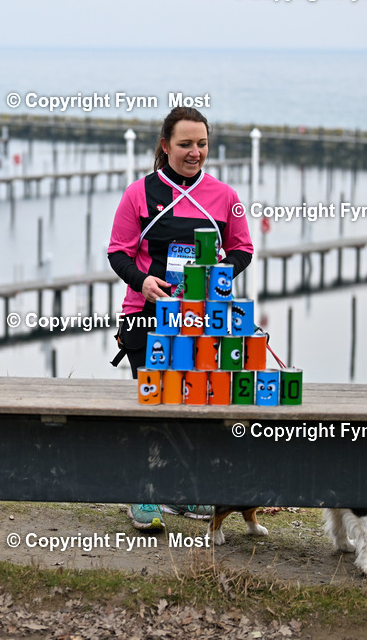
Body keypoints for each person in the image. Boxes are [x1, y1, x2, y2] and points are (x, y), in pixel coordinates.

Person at [107, 106, 253, 531]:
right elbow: (117, 252)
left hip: (200, 316)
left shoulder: (225, 196)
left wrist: (213, 277)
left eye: (202, 144)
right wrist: (145, 281)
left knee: (192, 403)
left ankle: (181, 493)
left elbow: (242, 249)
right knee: (153, 403)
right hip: (145, 314)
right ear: (165, 146)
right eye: (186, 144)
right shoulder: (138, 193)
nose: (195, 152)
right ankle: (142, 495)